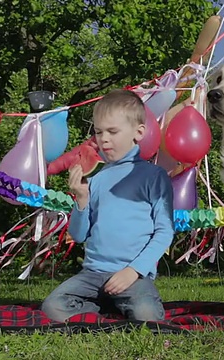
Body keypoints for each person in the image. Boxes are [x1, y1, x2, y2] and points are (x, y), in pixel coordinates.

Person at [41, 89, 174, 323]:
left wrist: (133, 271)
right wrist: (81, 200)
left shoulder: (154, 176)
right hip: (92, 274)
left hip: (132, 276)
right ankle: (108, 309)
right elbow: (78, 235)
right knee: (52, 307)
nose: (103, 139)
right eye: (99, 132)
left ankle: (113, 308)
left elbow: (164, 232)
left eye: (112, 132)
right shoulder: (96, 180)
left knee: (147, 316)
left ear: (139, 132)